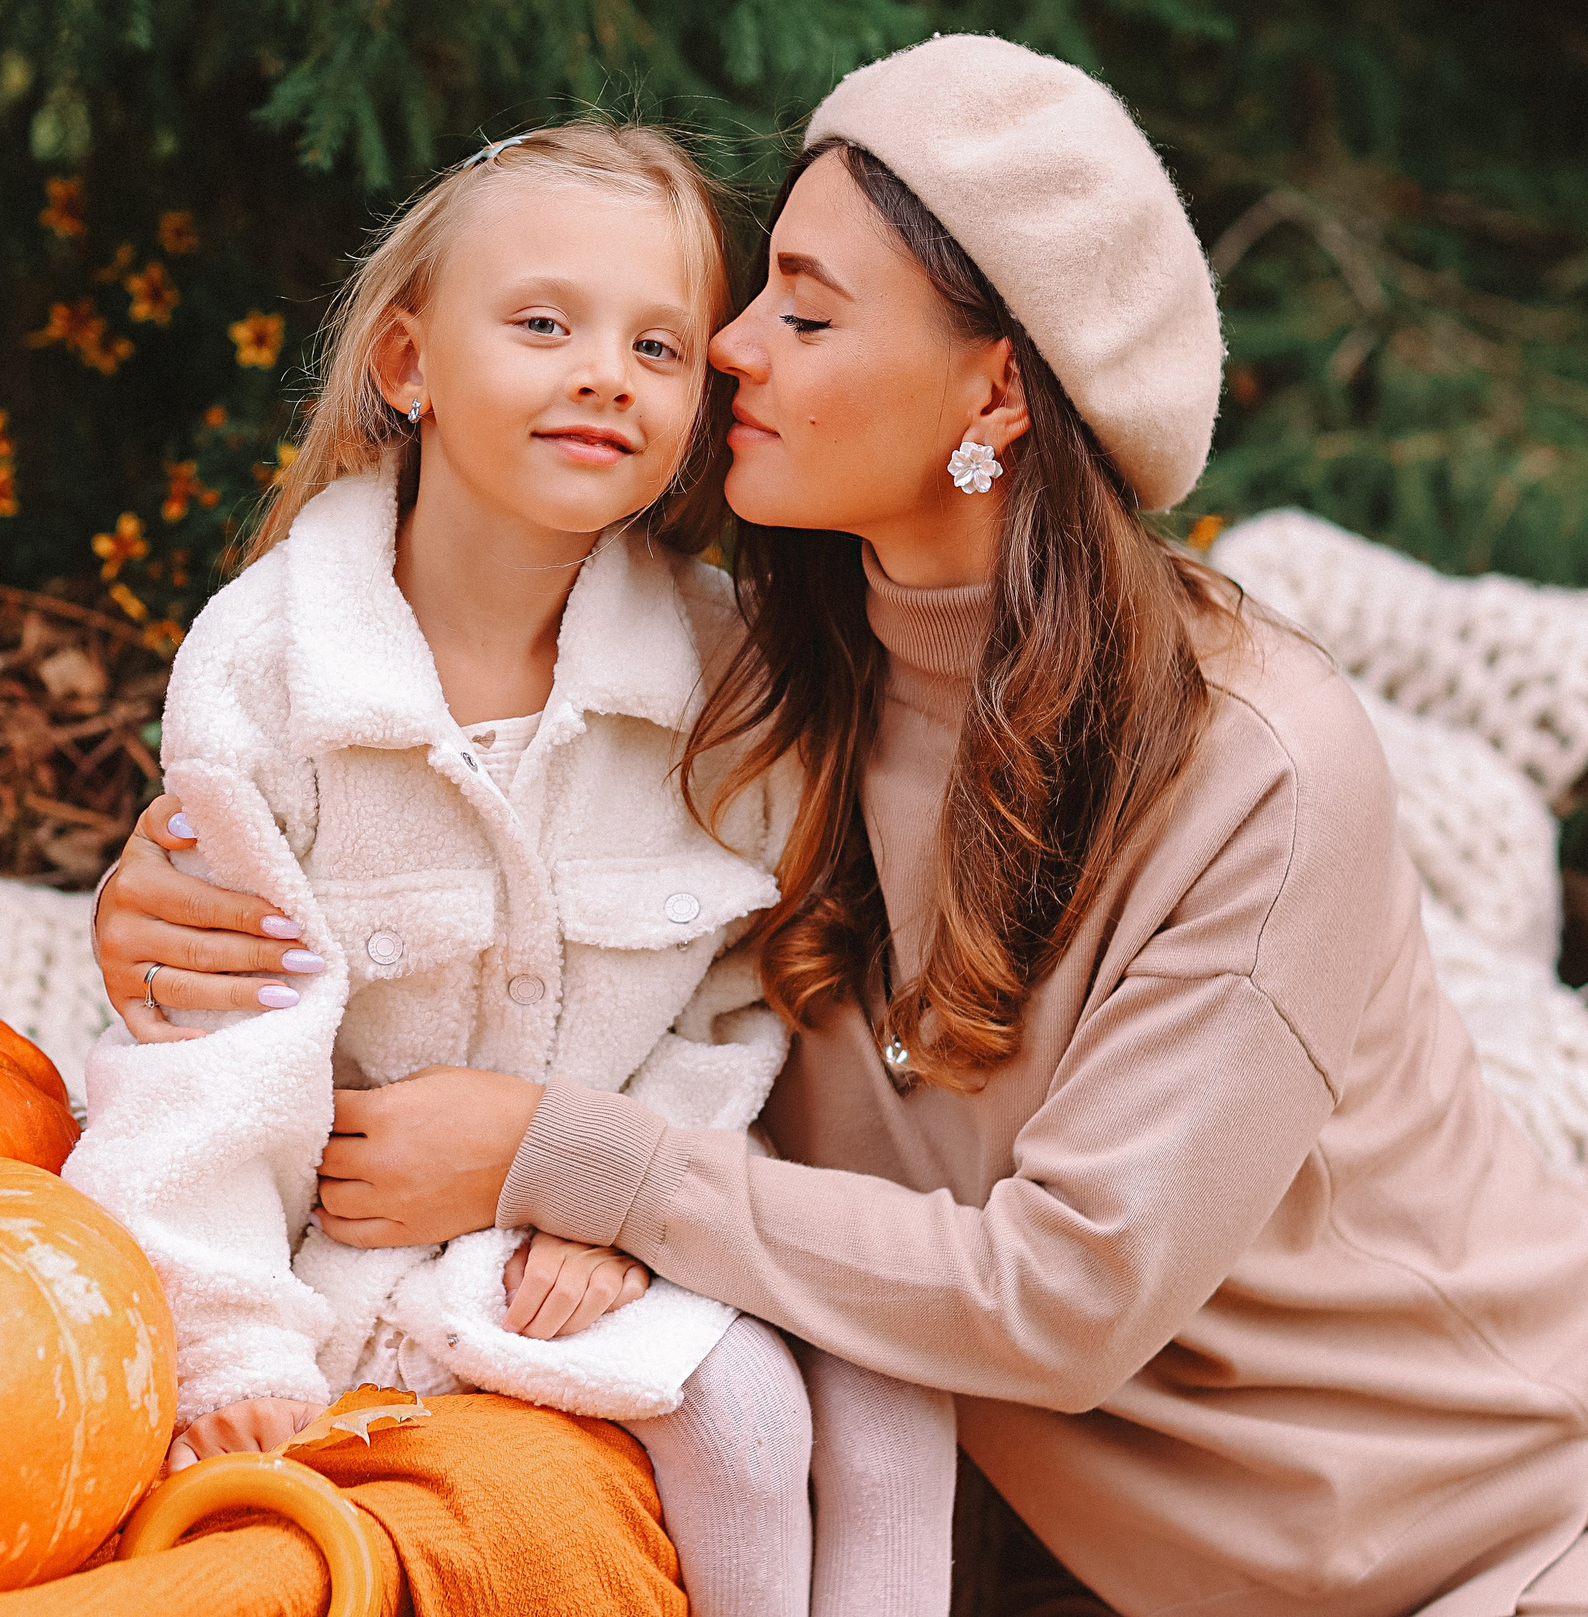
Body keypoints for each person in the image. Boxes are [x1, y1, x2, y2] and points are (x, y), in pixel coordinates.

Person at [91, 36, 1588, 1615]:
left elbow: (1069, 1297)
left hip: (1520, 1518)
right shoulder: (739, 674)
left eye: (802, 310)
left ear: (996, 393)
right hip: (1141, 1568)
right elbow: (490, 872)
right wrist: (177, 904)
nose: (725, 344)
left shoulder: (1256, 772)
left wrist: (561, 1160)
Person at [60, 121, 958, 1617]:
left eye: (661, 346)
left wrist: (614, 1198)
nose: (606, 370)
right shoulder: (272, 669)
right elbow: (215, 1045)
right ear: (409, 364)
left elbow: (735, 1005)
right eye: (543, 324)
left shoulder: (724, 671)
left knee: (854, 1399)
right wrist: (232, 1352)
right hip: (349, 1251)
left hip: (605, 1222)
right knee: (739, 1411)